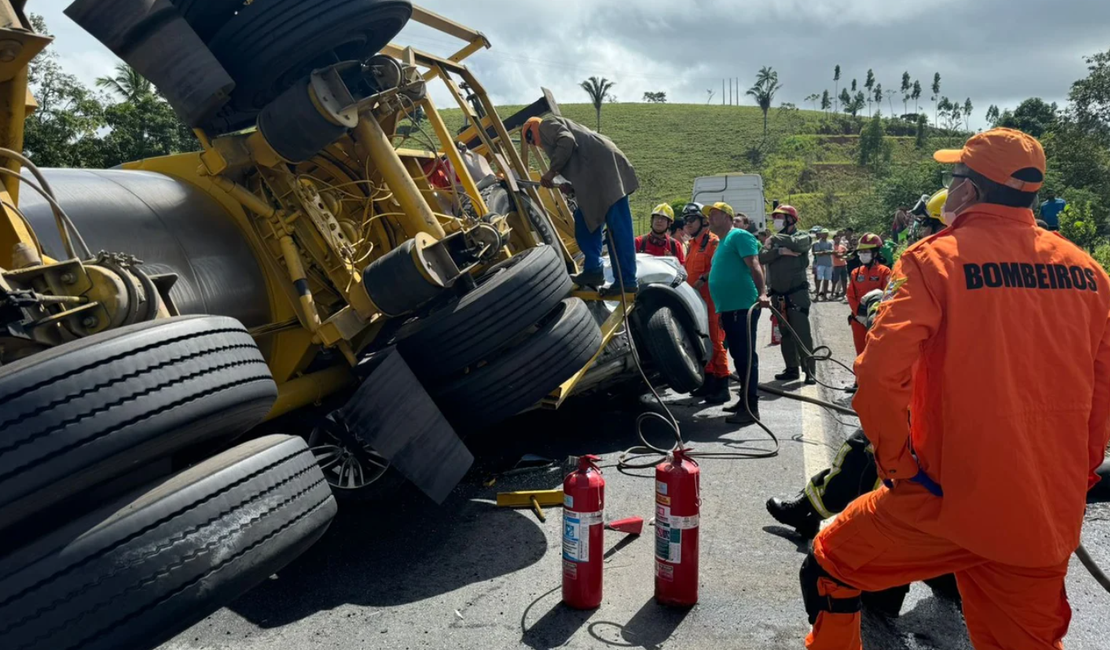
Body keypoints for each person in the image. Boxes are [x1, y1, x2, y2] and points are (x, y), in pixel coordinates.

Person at [801, 128, 1110, 649]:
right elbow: (1102, 394)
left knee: (830, 563)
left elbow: (878, 377)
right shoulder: (1089, 273)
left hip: (942, 500)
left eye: (955, 176)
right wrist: (1070, 479)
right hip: (1040, 511)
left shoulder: (932, 261)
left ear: (969, 191)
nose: (952, 185)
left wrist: (897, 467)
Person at [524, 116, 638, 297]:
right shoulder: (551, 141)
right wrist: (568, 185)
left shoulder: (546, 124)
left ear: (533, 127)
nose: (533, 143)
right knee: (584, 221)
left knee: (618, 227)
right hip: (595, 173)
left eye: (530, 137)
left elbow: (567, 140)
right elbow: (577, 157)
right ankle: (593, 270)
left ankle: (627, 281)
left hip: (605, 170)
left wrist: (552, 171)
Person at [707, 202, 769, 425]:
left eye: (714, 214)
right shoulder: (723, 242)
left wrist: (762, 293)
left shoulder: (739, 236)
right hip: (729, 309)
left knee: (746, 358)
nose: (710, 218)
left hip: (743, 307)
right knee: (739, 358)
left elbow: (754, 264)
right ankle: (744, 401)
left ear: (727, 217)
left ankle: (751, 408)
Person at [759, 205, 816, 386]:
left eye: (780, 217)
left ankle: (809, 372)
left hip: (796, 294)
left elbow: (798, 245)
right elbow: (762, 256)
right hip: (778, 296)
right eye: (775, 217)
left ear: (791, 220)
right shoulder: (776, 242)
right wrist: (780, 251)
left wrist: (775, 239)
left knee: (802, 334)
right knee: (785, 334)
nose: (776, 221)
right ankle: (791, 368)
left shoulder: (802, 236)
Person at [682, 202, 731, 404]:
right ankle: (708, 381)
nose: (688, 224)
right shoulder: (692, 245)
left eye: (692, 219)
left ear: (703, 221)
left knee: (715, 342)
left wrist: (703, 279)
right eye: (686, 220)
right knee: (701, 341)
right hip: (696, 302)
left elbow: (720, 267)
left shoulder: (712, 242)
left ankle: (723, 385)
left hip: (711, 301)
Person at [812, 228, 834, 301]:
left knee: (826, 280)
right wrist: (826, 252)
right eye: (824, 233)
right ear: (821, 234)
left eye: (826, 233)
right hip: (820, 264)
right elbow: (818, 253)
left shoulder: (829, 243)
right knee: (819, 280)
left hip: (828, 264)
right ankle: (817, 296)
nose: (825, 235)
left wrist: (824, 252)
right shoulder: (817, 243)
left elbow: (831, 252)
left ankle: (824, 296)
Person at [831, 232, 849, 299]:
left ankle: (845, 293)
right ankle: (832, 294)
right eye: (836, 239)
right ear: (834, 240)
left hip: (843, 265)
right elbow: (837, 256)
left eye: (838, 239)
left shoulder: (842, 246)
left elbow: (846, 252)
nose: (837, 240)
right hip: (836, 265)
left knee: (844, 280)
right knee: (835, 280)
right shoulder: (833, 247)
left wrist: (842, 254)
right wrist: (842, 254)